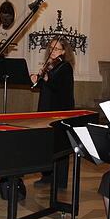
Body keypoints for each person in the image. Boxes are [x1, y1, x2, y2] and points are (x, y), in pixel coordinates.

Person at [31, 37, 75, 189]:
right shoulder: (51, 66)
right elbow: (46, 86)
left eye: (56, 49)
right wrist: (37, 80)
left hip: (59, 110)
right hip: (46, 108)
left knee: (60, 146)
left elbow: (61, 89)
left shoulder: (65, 67)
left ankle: (60, 181)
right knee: (47, 144)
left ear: (64, 51)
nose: (52, 51)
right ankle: (47, 176)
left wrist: (47, 78)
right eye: (51, 48)